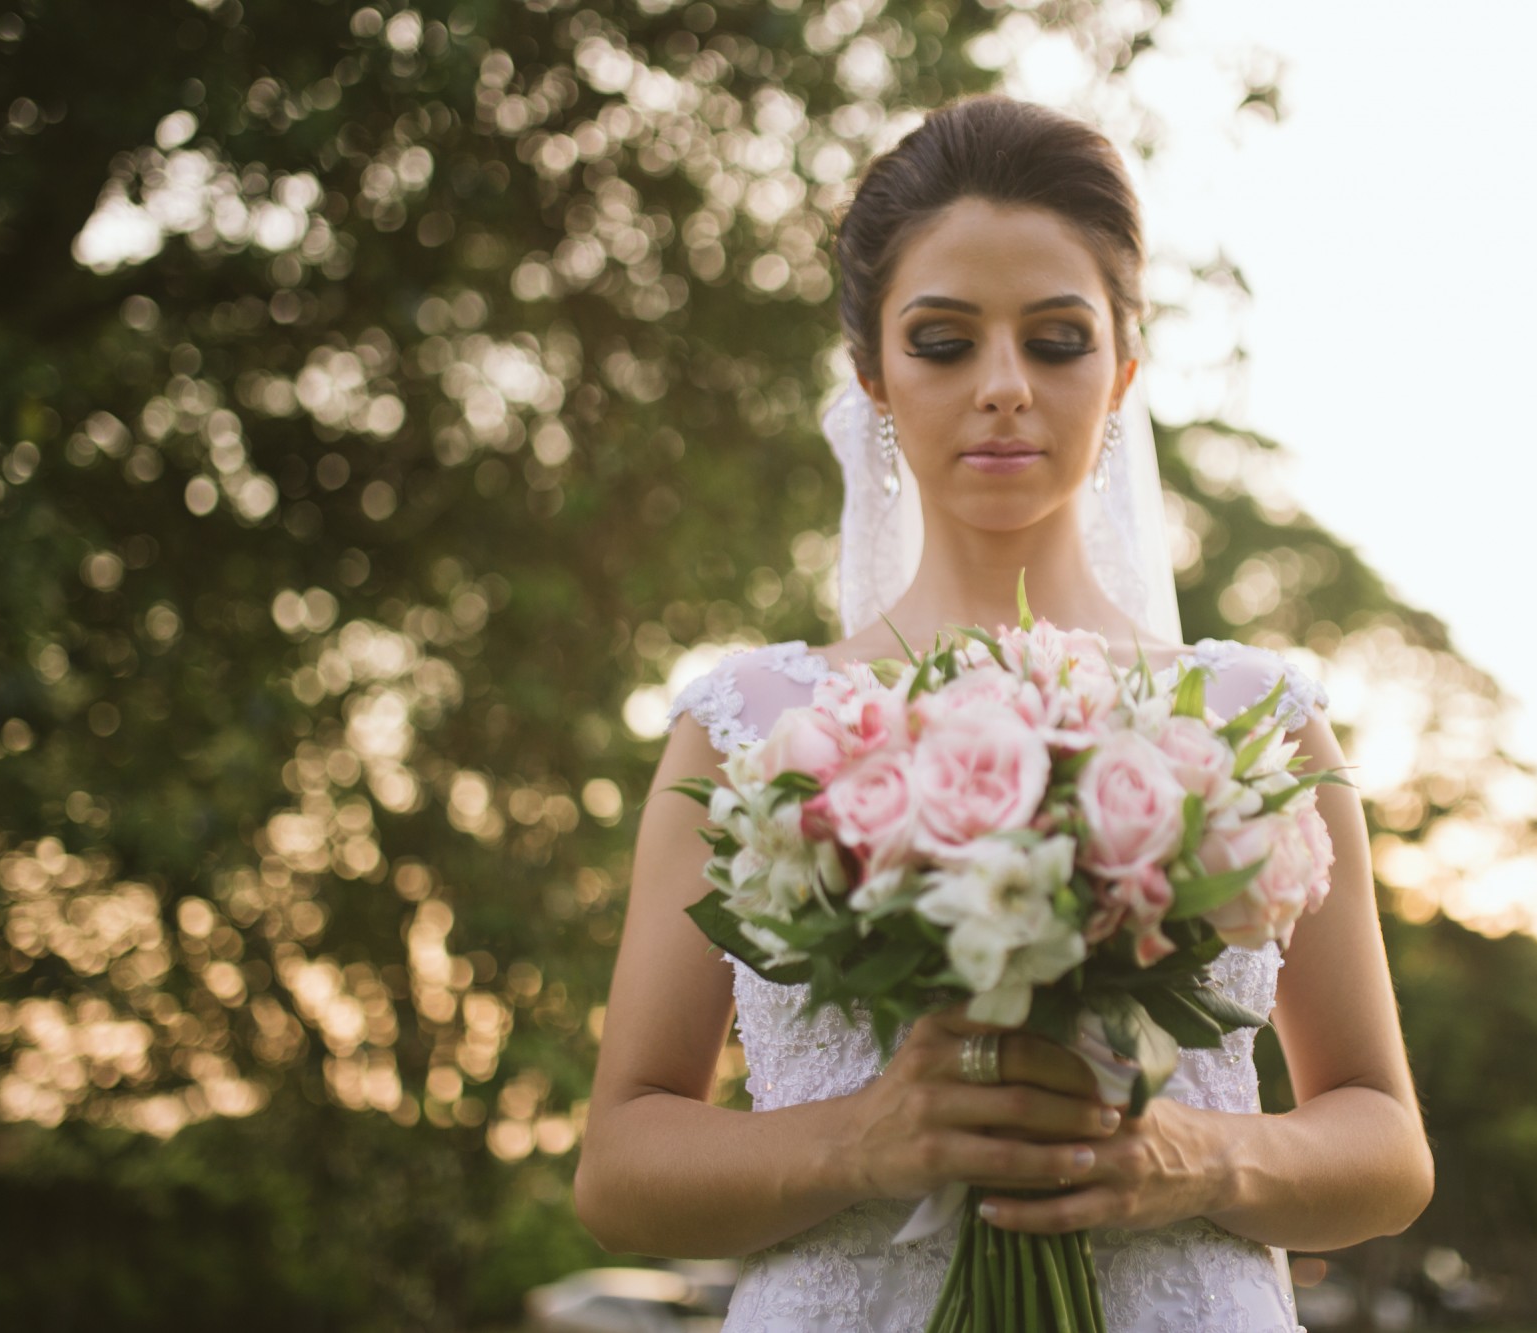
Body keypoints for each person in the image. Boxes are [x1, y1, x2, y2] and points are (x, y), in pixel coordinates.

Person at [573, 94, 1433, 1331]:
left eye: (1054, 340)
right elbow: (618, 1172)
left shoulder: (1257, 722)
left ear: (1122, 368)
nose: (1001, 388)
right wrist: (858, 1141)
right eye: (940, 341)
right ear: (869, 371)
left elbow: (1387, 1145)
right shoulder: (749, 728)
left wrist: (1190, 1153)